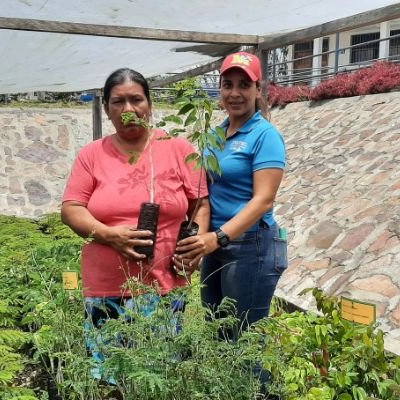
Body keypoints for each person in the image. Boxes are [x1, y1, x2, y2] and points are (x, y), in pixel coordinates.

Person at [61, 68, 209, 376]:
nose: (128, 109)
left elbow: (200, 203)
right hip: (106, 286)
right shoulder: (92, 155)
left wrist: (196, 246)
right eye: (118, 102)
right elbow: (72, 208)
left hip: (165, 283)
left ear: (149, 105)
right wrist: (109, 235)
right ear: (106, 109)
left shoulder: (178, 149)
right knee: (108, 373)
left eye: (136, 100)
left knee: (159, 375)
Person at [175, 51, 288, 338]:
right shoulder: (214, 136)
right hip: (215, 243)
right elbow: (204, 194)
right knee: (218, 332)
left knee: (245, 341)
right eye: (228, 85)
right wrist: (198, 240)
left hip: (252, 246)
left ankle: (260, 386)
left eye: (244, 85)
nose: (235, 93)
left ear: (258, 90)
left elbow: (263, 200)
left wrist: (218, 237)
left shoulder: (265, 136)